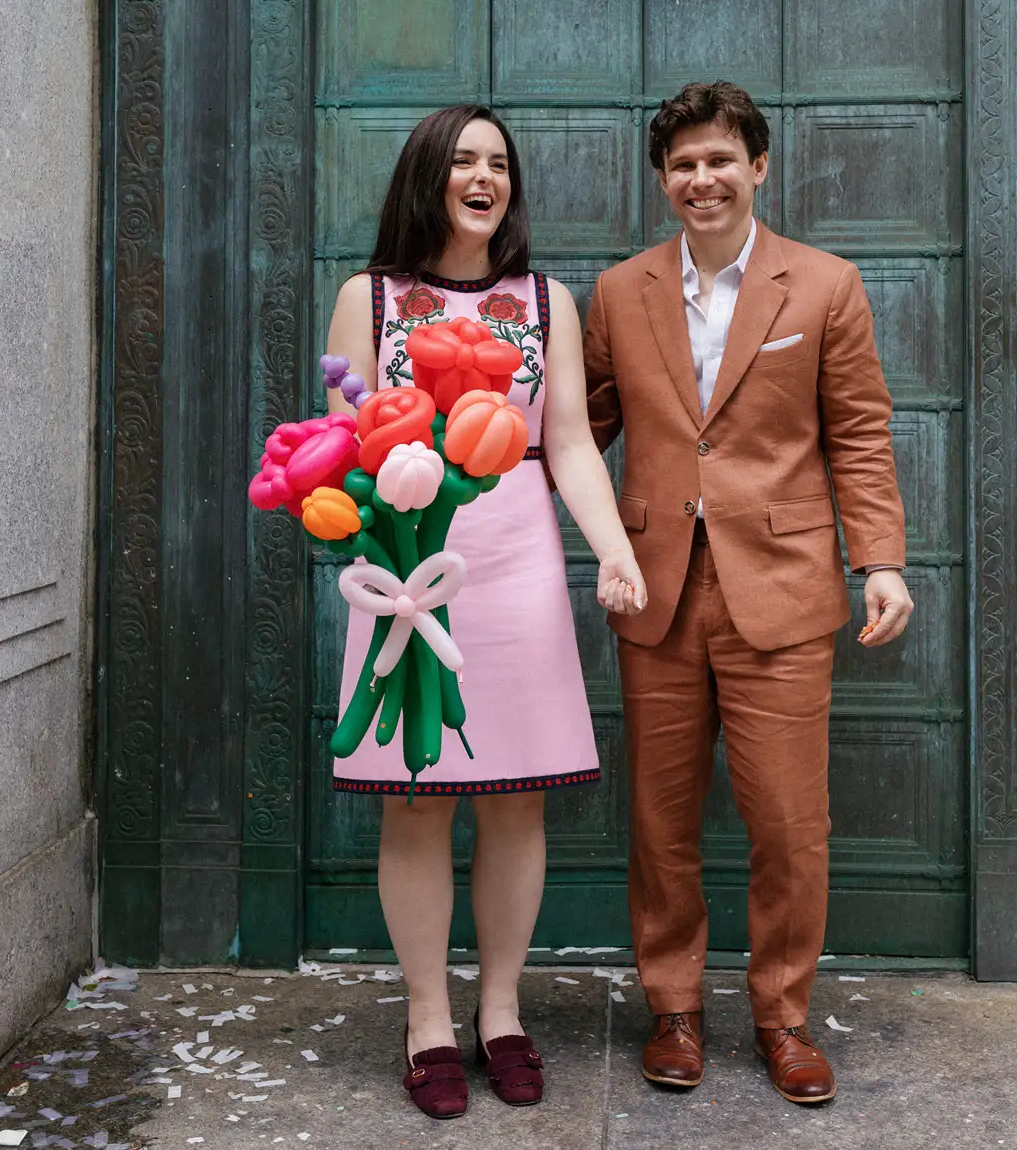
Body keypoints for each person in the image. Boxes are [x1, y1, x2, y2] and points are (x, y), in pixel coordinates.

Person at [584, 81, 915, 1105]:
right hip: (657, 590)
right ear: (661, 180)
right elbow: (575, 430)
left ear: (757, 167)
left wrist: (881, 560)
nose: (701, 179)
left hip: (781, 590)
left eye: (720, 160)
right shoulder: (618, 291)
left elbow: (857, 432)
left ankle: (781, 1015)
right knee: (659, 818)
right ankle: (673, 1009)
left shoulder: (822, 285)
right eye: (682, 165)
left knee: (786, 821)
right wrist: (458, 474)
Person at [325, 104, 646, 1120]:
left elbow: (571, 448)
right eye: (462, 159)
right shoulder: (367, 297)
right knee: (416, 799)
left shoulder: (547, 300)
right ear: (426, 173)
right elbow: (344, 452)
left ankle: (500, 1010)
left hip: (516, 565)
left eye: (497, 163)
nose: (482, 176)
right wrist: (376, 541)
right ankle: (427, 1016)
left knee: (518, 798)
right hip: (410, 570)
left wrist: (614, 550)